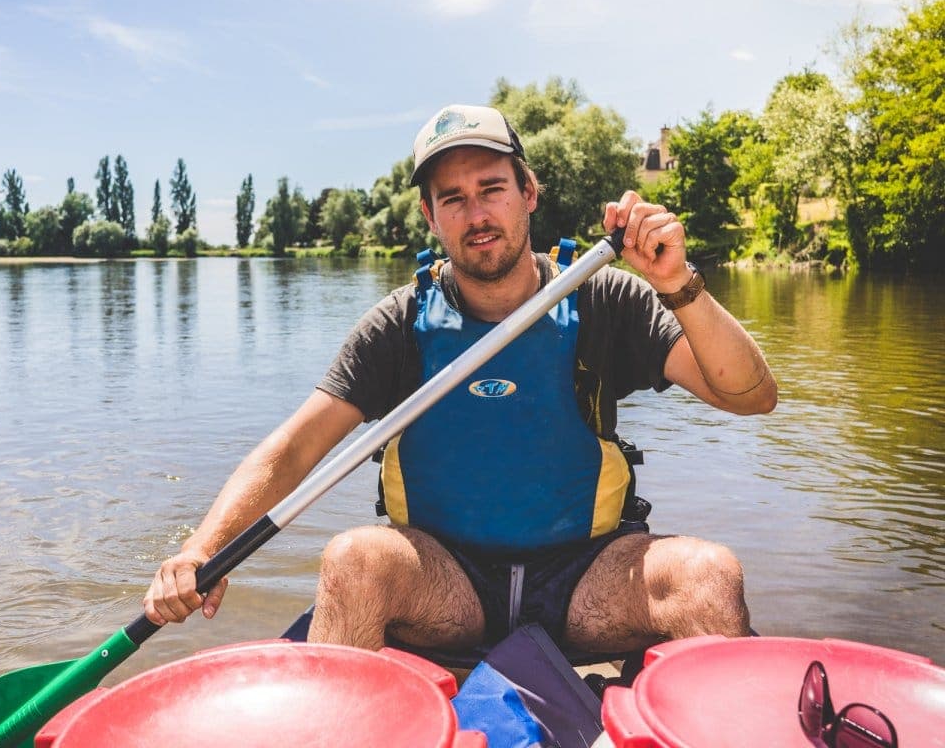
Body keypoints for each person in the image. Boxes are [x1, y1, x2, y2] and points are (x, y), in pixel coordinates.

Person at [143, 103, 777, 659]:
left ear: (529, 191)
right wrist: (201, 550)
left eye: (492, 187)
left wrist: (678, 286)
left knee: (707, 574)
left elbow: (752, 397)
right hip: (446, 583)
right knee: (355, 559)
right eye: (453, 198)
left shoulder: (603, 296)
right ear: (430, 216)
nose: (477, 213)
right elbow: (295, 449)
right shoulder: (396, 324)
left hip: (587, 576)